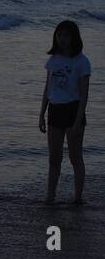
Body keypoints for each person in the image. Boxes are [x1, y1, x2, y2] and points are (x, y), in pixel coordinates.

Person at [40, 20, 90, 205]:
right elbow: (48, 89)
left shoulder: (82, 62)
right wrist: (41, 114)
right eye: (59, 35)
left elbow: (84, 95)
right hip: (55, 109)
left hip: (73, 108)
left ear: (74, 37)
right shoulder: (53, 60)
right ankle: (50, 195)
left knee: (75, 157)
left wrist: (77, 122)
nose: (62, 39)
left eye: (66, 35)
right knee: (54, 158)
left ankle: (78, 196)